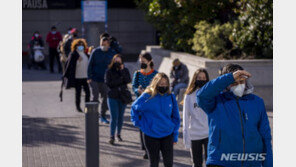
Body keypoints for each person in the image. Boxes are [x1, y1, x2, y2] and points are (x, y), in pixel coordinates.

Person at [196, 64, 272, 167]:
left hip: (252, 163)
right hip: (221, 162)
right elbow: (201, 96)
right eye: (234, 83)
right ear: (226, 84)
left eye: (241, 81)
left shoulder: (257, 102)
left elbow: (265, 136)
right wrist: (230, 77)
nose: (239, 85)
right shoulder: (215, 101)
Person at [131, 73, 181, 167]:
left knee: (169, 163)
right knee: (154, 163)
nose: (164, 86)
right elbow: (134, 108)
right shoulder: (147, 96)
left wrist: (175, 135)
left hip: (167, 134)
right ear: (155, 83)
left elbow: (176, 118)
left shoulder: (171, 97)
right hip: (150, 135)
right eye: (161, 84)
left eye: (166, 84)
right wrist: (139, 123)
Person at [131, 52, 158, 159]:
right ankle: (146, 150)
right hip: (141, 105)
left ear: (150, 61)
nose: (141, 63)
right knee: (142, 127)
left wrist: (149, 91)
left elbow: (159, 87)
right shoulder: (137, 74)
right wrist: (138, 90)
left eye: (144, 61)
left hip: (152, 105)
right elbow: (133, 86)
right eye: (140, 61)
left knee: (152, 126)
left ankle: (153, 149)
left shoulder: (156, 74)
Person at [182, 69, 210, 167]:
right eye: (199, 78)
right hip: (194, 134)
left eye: (203, 78)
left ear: (207, 79)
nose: (201, 80)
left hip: (209, 134)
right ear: (195, 79)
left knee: (210, 163)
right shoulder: (189, 96)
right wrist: (186, 139)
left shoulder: (211, 94)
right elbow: (185, 117)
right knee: (196, 163)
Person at [88, 36, 117, 124]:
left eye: (105, 44)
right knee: (95, 97)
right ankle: (93, 116)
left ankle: (103, 116)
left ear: (108, 44)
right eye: (101, 44)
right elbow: (90, 65)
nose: (103, 46)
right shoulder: (95, 52)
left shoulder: (112, 53)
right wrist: (89, 77)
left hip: (106, 80)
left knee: (105, 98)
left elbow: (115, 66)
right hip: (94, 78)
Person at [105, 54, 131, 145]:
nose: (117, 63)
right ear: (113, 61)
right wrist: (120, 80)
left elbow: (128, 80)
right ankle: (111, 136)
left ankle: (118, 134)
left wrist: (122, 71)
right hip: (112, 97)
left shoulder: (125, 70)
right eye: (116, 61)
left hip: (122, 96)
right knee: (114, 117)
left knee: (120, 117)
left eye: (119, 61)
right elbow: (109, 84)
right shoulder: (109, 71)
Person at [63, 39, 90, 112]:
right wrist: (78, 61)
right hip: (77, 77)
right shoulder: (74, 54)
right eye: (78, 45)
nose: (80, 46)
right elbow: (70, 66)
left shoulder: (86, 54)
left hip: (85, 77)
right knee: (78, 93)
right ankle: (78, 107)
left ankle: (87, 108)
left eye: (82, 45)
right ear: (75, 46)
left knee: (88, 93)